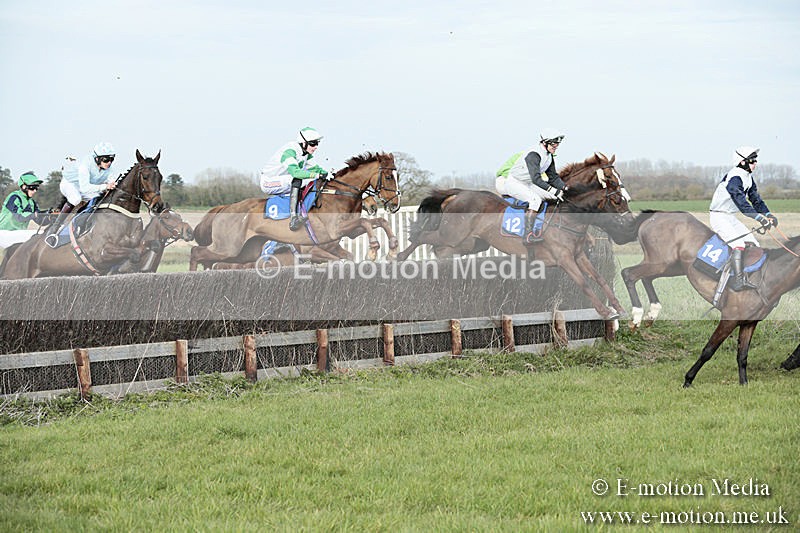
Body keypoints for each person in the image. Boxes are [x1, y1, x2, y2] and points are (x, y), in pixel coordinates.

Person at [709, 146, 777, 291]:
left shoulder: (748, 178)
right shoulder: (735, 177)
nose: (755, 164)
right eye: (752, 161)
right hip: (719, 216)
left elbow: (756, 201)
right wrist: (759, 218)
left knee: (753, 243)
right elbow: (742, 203)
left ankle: (752, 278)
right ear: (742, 162)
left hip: (730, 217)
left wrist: (768, 215)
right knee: (739, 244)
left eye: (756, 160)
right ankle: (737, 281)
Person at [495, 129, 569, 244]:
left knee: (555, 197)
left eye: (558, 143)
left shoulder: (549, 156)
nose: (556, 145)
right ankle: (527, 235)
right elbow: (536, 179)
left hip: (528, 183)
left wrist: (565, 188)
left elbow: (553, 177)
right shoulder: (533, 154)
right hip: (514, 183)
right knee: (535, 200)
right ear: (545, 142)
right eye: (554, 143)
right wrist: (554, 190)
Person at [44, 142, 118, 246]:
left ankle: (80, 223)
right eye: (106, 160)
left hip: (85, 188)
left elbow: (112, 181)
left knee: (98, 200)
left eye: (112, 159)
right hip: (70, 184)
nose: (109, 163)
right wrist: (105, 186)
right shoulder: (86, 164)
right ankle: (55, 227)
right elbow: (85, 188)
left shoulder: (109, 169)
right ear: (97, 159)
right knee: (76, 199)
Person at [259, 127, 330, 231]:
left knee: (310, 182)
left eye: (317, 143)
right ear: (303, 143)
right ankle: (294, 218)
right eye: (313, 143)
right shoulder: (289, 151)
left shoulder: (306, 154)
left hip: (282, 181)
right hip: (268, 182)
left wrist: (329, 174)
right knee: (296, 179)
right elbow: (295, 172)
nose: (316, 147)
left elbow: (317, 169)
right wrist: (316, 175)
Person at [0, 171, 53, 248]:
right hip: (4, 233)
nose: (35, 190)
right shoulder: (14, 197)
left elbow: (39, 220)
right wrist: (35, 214)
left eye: (36, 188)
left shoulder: (32, 202)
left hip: (17, 234)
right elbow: (18, 217)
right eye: (32, 187)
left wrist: (50, 217)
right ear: (24, 186)